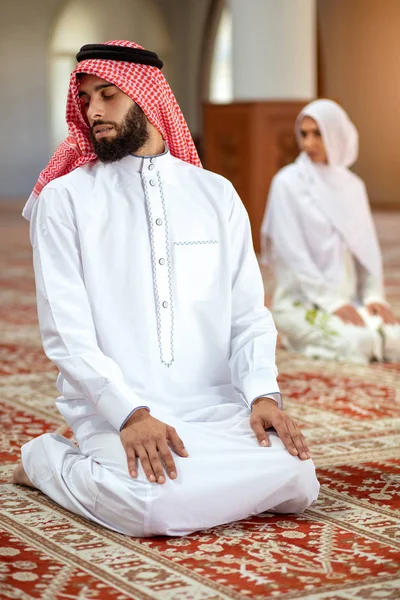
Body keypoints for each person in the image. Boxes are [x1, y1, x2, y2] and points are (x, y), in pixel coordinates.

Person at [12, 40, 319, 537]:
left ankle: (176, 471)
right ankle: (49, 459)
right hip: (116, 408)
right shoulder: (65, 200)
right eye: (86, 99)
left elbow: (248, 314)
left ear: (148, 97)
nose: (93, 111)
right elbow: (66, 333)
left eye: (108, 94)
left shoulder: (214, 193)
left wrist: (263, 396)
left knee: (298, 481)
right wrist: (131, 414)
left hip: (214, 403)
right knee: (153, 507)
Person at [261, 99, 400, 364]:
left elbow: (367, 250)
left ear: (337, 136)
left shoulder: (352, 186)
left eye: (318, 134)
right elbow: (295, 255)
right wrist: (331, 302)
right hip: (300, 302)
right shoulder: (287, 184)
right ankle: (298, 337)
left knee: (394, 339)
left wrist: (373, 296)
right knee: (360, 342)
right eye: (304, 134)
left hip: (349, 300)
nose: (308, 143)